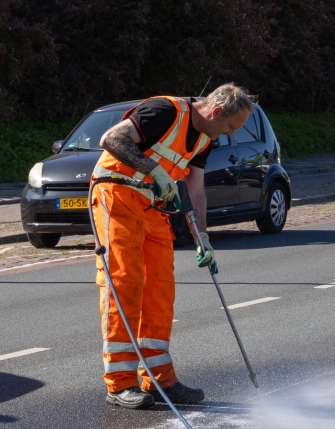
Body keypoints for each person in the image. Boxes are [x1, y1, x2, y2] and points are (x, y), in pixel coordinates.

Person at [91, 83, 255, 409]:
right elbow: (110, 139)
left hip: (154, 205)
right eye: (231, 126)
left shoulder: (206, 138)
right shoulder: (166, 111)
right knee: (125, 283)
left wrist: (202, 237)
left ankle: (158, 380)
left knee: (160, 288)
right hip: (117, 193)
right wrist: (153, 170)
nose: (230, 135)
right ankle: (120, 384)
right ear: (217, 111)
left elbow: (195, 190)